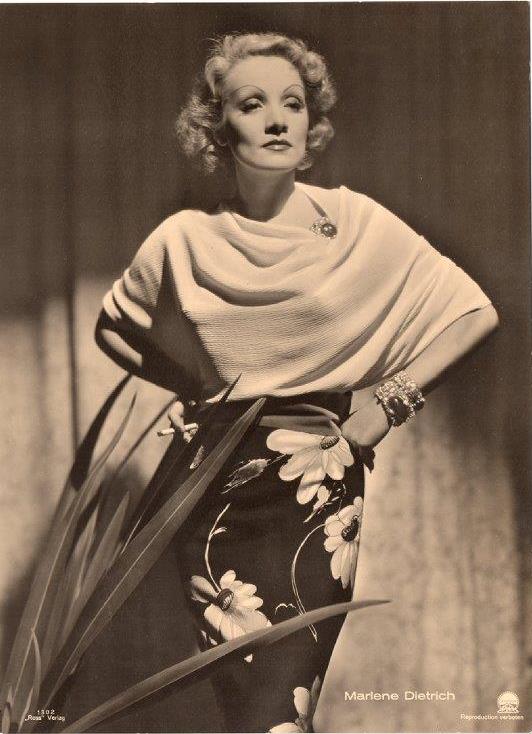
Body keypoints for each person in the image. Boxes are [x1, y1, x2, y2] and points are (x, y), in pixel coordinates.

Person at [93, 32, 498, 733]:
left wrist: (389, 404)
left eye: (294, 103)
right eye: (253, 104)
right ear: (218, 126)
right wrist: (194, 389)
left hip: (316, 484)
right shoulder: (183, 239)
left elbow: (474, 313)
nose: (278, 120)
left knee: (281, 709)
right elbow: (113, 327)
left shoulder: (352, 222)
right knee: (249, 713)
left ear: (312, 122)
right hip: (212, 491)